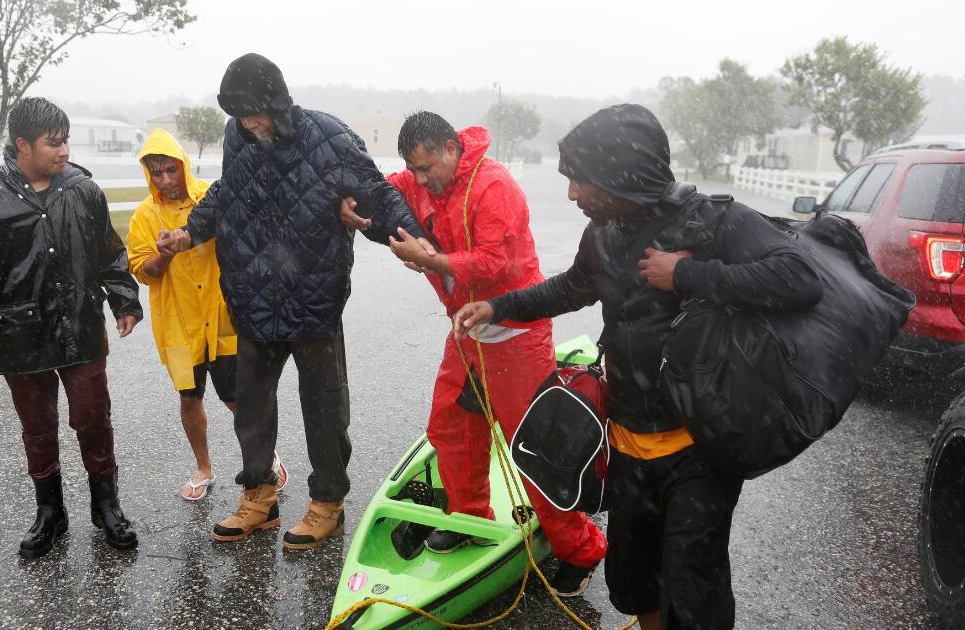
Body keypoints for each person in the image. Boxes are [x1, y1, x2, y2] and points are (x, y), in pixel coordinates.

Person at [454, 104, 823, 629]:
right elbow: (571, 287)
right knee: (634, 577)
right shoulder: (604, 231)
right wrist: (500, 306)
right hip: (627, 438)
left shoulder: (712, 221)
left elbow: (799, 277)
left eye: (580, 181)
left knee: (694, 590)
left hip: (699, 446)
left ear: (618, 175)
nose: (572, 194)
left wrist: (690, 274)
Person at [158, 53, 430, 550]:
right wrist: (189, 232)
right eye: (240, 114)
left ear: (278, 103)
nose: (248, 122)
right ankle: (258, 498)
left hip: (313, 297)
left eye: (255, 111)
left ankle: (327, 504)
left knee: (324, 410)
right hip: (252, 297)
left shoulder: (328, 136)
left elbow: (374, 193)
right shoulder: (236, 136)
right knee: (253, 411)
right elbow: (227, 193)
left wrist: (410, 235)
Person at [340, 111, 607, 597]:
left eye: (426, 168)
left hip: (517, 336)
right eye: (413, 170)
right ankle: (467, 517)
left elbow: (493, 261)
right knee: (450, 428)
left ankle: (582, 551)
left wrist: (432, 261)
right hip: (467, 334)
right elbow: (384, 188)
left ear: (450, 148)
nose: (419, 180)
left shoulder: (493, 185)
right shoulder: (420, 180)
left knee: (537, 456)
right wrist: (352, 204)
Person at [0, 97, 144, 558]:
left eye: (67, 140)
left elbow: (109, 253)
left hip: (80, 328)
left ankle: (106, 506)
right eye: (54, 143)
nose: (64, 150)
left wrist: (124, 300)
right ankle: (50, 513)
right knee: (37, 428)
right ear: (22, 146)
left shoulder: (84, 191)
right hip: (19, 335)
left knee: (93, 419)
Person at [125, 129, 288, 501]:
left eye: (171, 169)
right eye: (157, 173)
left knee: (238, 397)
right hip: (178, 322)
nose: (166, 180)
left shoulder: (210, 199)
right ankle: (204, 468)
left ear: (183, 164)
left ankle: (266, 458)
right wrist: (165, 252)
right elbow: (143, 271)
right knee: (189, 397)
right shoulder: (144, 217)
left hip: (223, 317)